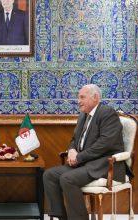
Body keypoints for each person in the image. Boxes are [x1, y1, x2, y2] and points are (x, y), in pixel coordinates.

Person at [43, 84, 127, 220]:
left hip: (104, 165)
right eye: (78, 97)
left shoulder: (107, 113)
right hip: (86, 163)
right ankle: (61, 217)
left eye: (82, 97)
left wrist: (79, 157)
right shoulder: (83, 115)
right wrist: (71, 150)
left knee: (67, 179)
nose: (78, 101)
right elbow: (74, 139)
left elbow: (105, 144)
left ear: (95, 98)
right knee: (49, 175)